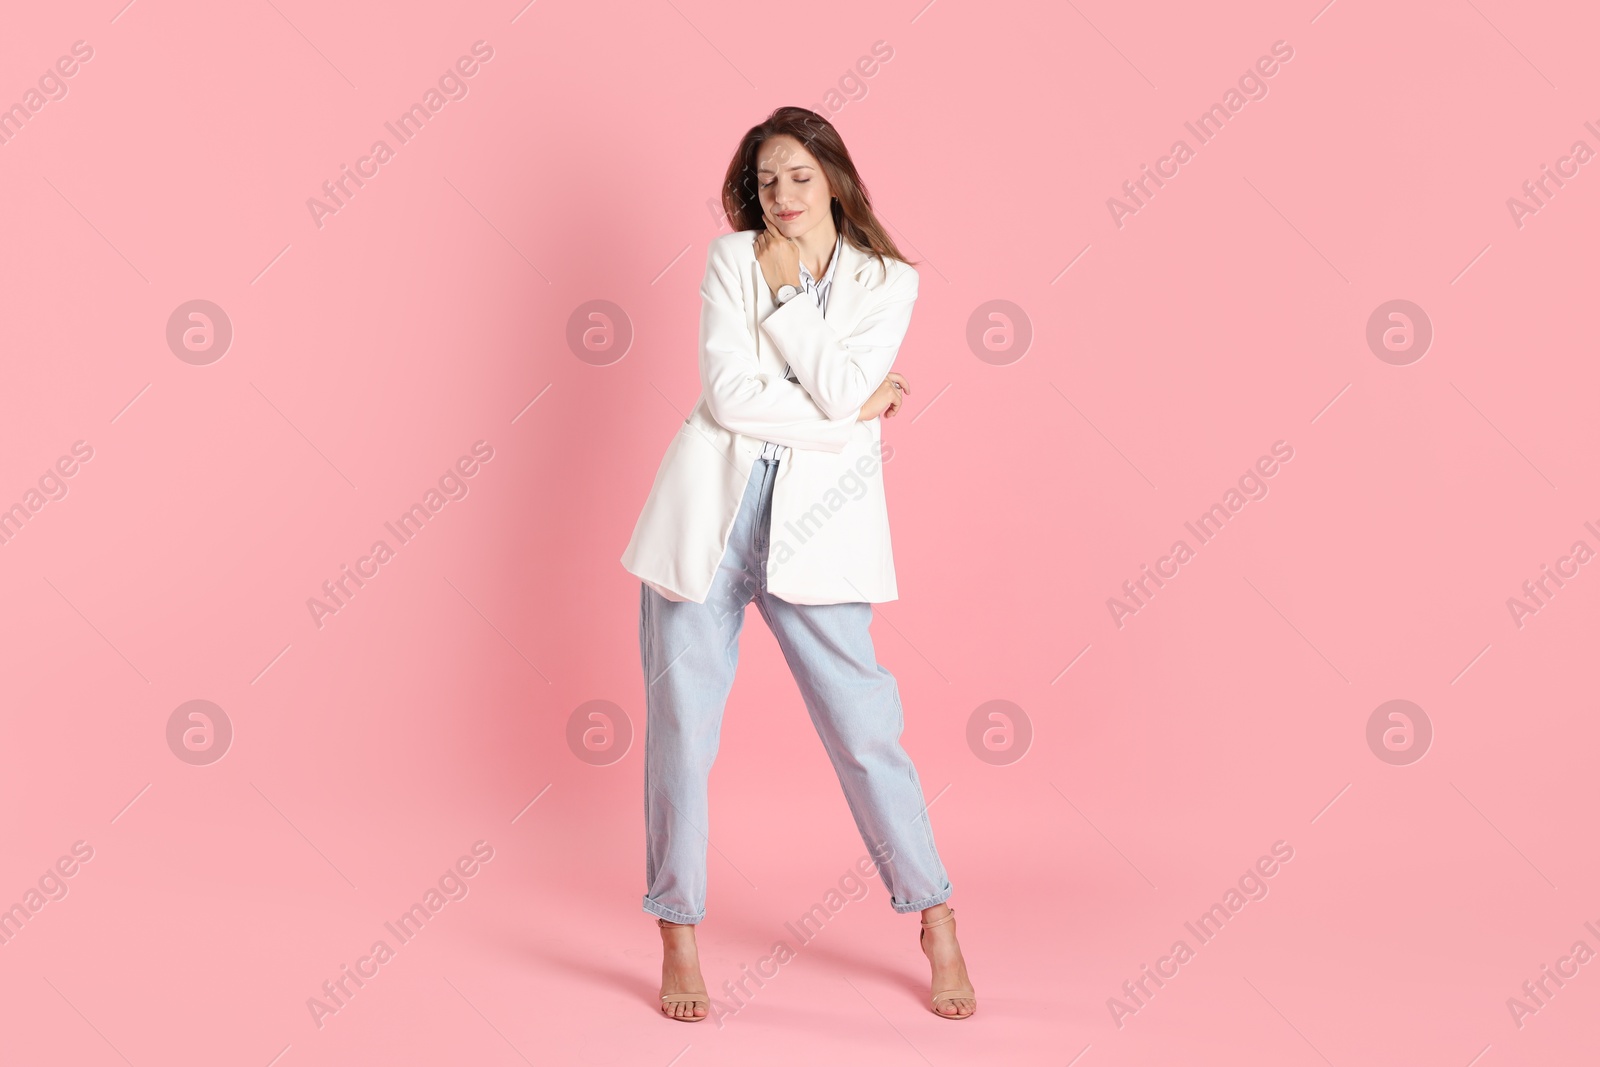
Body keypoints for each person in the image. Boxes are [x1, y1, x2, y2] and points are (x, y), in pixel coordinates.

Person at [620, 106, 975, 1022]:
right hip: (707, 523)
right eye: (765, 181)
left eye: (799, 178)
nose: (781, 196)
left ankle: (935, 916)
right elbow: (730, 400)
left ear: (835, 180)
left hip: (819, 532)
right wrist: (854, 406)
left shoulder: (887, 280)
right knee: (681, 736)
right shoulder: (727, 260)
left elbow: (818, 382)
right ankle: (679, 930)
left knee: (865, 732)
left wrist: (789, 307)